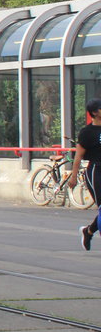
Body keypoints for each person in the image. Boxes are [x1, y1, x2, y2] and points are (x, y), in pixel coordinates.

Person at [67, 98, 101, 251]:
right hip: (96, 171)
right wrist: (73, 177)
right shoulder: (87, 132)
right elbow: (78, 157)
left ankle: (88, 231)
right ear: (94, 112)